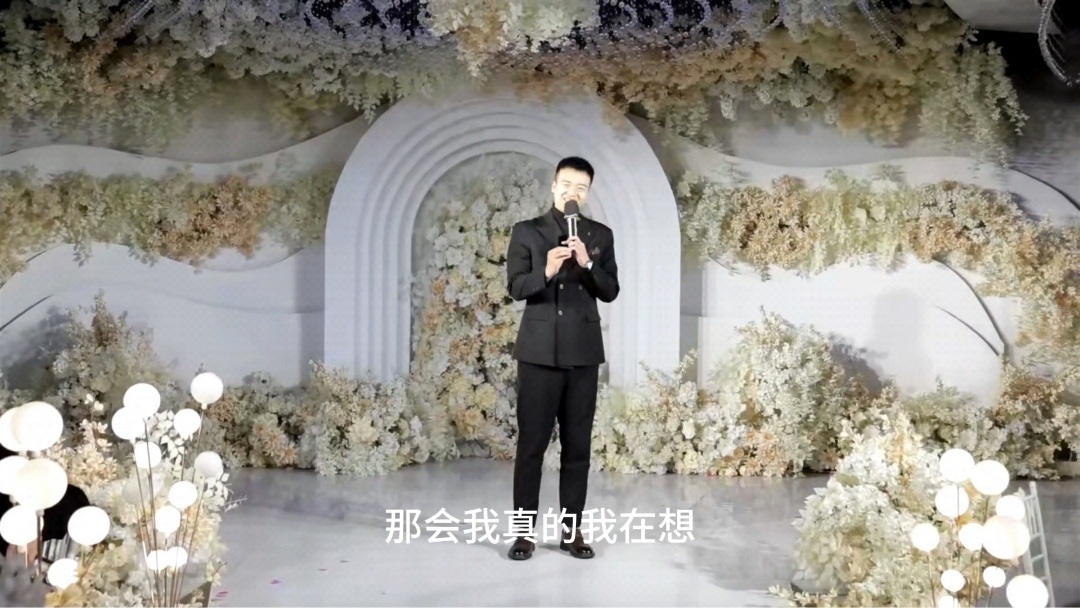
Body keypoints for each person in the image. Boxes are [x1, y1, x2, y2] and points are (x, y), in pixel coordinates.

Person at [504, 156, 620, 561]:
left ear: (587, 194)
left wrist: (586, 262)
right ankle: (524, 534)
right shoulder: (527, 231)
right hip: (538, 354)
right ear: (554, 186)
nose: (573, 193)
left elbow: (610, 291)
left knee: (577, 449)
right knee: (531, 448)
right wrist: (548, 270)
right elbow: (516, 287)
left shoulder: (600, 235)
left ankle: (573, 533)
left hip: (582, 353)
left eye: (581, 188)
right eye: (566, 185)